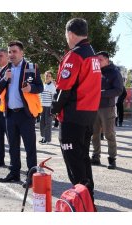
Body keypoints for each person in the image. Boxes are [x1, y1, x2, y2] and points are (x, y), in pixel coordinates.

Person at [51, 18, 101, 202]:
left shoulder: (76, 55)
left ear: (70, 34)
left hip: (73, 116)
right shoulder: (93, 55)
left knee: (74, 162)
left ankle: (81, 202)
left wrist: (53, 109)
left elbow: (64, 88)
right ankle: (88, 198)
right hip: (88, 116)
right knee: (83, 158)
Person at [0, 40, 43, 183]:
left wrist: (31, 89)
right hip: (10, 114)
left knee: (30, 148)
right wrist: (5, 79)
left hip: (25, 114)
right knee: (13, 147)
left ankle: (32, 176)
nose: (11, 54)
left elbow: (40, 87)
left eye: (14, 51)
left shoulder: (31, 67)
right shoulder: (5, 70)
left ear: (22, 53)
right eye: (9, 52)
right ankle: (14, 173)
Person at [91, 51, 123, 169]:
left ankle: (112, 159)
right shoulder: (96, 72)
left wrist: (100, 94)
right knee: (94, 134)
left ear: (107, 60)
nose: (97, 62)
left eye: (100, 60)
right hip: (94, 107)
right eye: (96, 60)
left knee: (109, 134)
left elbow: (119, 90)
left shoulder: (115, 73)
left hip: (107, 108)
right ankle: (96, 156)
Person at [39, 71, 56, 144]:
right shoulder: (43, 85)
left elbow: (54, 98)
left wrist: (53, 109)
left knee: (48, 123)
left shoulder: (52, 86)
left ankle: (48, 139)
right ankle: (43, 137)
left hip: (49, 107)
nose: (47, 77)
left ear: (51, 77)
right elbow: (41, 96)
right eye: (46, 76)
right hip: (42, 107)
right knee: (42, 123)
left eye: (49, 76)